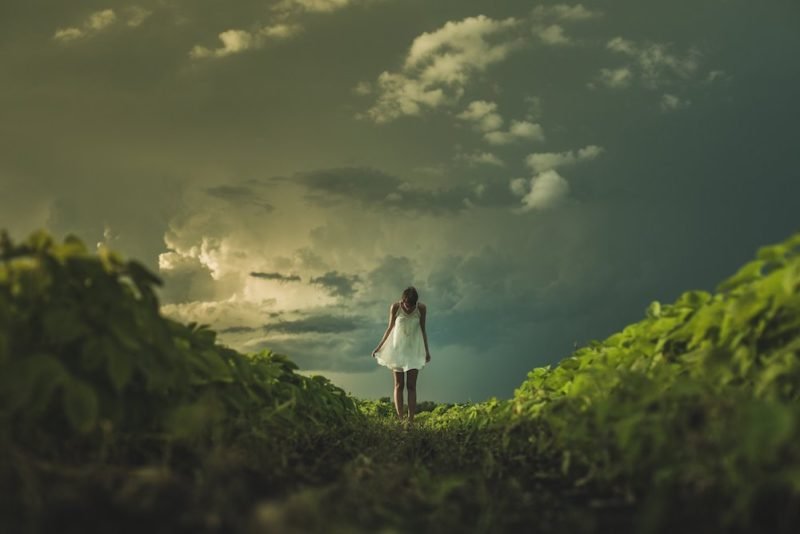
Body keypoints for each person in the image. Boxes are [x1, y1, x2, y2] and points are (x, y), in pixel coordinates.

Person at [372, 286, 431, 424]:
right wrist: (379, 347)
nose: (409, 307)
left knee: (411, 385)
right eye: (407, 304)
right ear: (403, 300)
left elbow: (423, 330)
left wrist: (427, 351)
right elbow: (389, 328)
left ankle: (410, 420)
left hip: (413, 351)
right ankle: (400, 418)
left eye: (412, 304)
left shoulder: (421, 308)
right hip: (397, 350)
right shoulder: (395, 307)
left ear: (416, 302)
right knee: (399, 384)